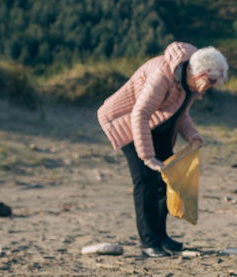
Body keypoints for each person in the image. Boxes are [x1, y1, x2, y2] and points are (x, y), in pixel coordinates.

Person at [98, 42, 228, 257]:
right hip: (127, 122)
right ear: (200, 73)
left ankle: (161, 236)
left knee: (165, 180)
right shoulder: (163, 74)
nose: (210, 88)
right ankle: (149, 242)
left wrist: (192, 135)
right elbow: (139, 115)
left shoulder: (191, 82)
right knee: (146, 180)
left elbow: (179, 113)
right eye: (211, 82)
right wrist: (148, 157)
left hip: (157, 124)